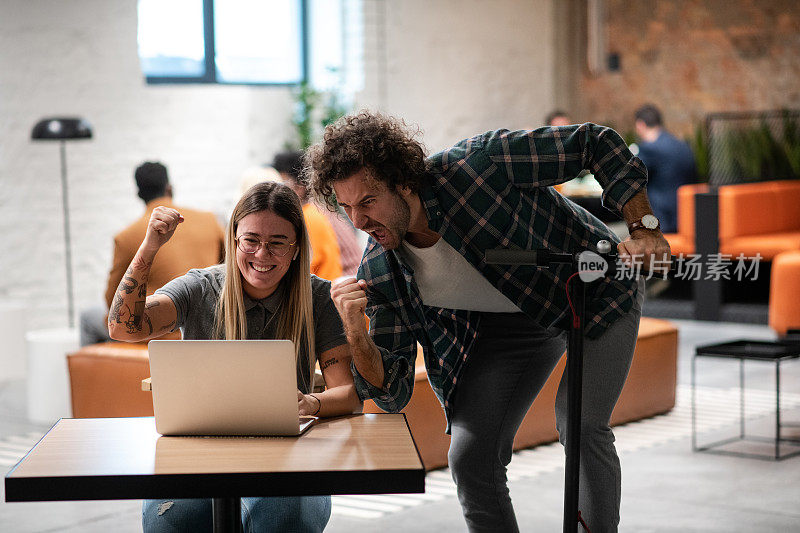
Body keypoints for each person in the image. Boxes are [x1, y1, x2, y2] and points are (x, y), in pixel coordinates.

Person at [305, 111, 670, 532]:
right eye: (346, 206)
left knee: (581, 423)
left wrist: (643, 228)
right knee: (470, 456)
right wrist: (354, 330)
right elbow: (392, 394)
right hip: (508, 325)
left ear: (404, 181)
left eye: (368, 201)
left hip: (593, 287)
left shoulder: (479, 165)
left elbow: (596, 142)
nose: (358, 221)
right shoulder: (382, 270)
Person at [108, 181, 362, 532]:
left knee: (287, 518)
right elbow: (124, 328)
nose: (261, 255)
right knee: (172, 521)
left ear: (296, 248)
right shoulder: (199, 287)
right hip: (197, 450)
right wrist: (150, 246)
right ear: (234, 240)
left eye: (277, 243)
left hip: (286, 453)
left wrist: (310, 403)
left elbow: (348, 394)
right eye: (251, 241)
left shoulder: (318, 298)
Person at [79, 161, 224, 346]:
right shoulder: (210, 220)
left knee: (88, 318)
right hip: (206, 324)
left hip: (155, 330)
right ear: (169, 188)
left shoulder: (126, 237)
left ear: (138, 194)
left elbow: (113, 301)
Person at [274, 151, 364, 277]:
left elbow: (309, 266)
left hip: (346, 285)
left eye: (282, 184)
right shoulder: (315, 210)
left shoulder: (309, 216)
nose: (274, 192)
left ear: (300, 187)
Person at [634, 104, 696, 234]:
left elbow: (631, 177)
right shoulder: (682, 145)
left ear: (640, 125)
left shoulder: (649, 149)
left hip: (663, 219)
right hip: (687, 216)